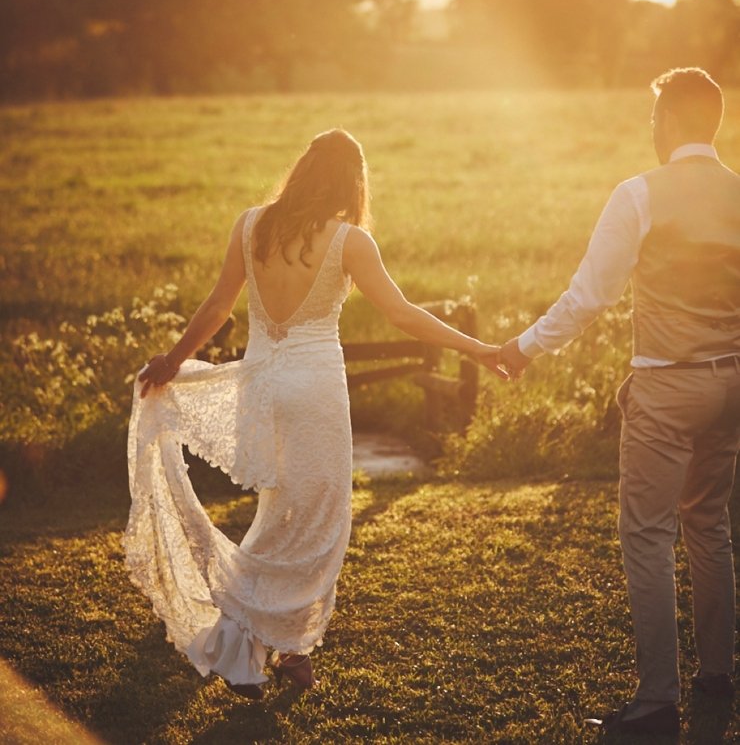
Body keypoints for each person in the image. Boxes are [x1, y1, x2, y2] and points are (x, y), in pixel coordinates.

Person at [125, 128, 505, 698]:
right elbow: (402, 314)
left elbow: (218, 303)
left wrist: (175, 359)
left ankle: (278, 651)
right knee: (319, 521)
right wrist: (477, 348)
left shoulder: (251, 224)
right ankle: (261, 642)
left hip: (262, 385)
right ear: (354, 182)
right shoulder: (350, 240)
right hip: (315, 391)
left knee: (282, 512)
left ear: (303, 170)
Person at [497, 67, 740, 737]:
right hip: (731, 385)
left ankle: (658, 700)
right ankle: (716, 673)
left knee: (647, 535)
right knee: (711, 524)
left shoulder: (639, 194)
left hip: (668, 386)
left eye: (654, 117)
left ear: (667, 122)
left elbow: (587, 298)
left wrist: (521, 349)